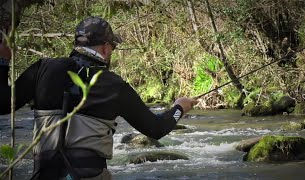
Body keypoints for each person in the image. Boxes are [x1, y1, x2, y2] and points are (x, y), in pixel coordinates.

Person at [0, 16, 198, 180]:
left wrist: (3, 61)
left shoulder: (43, 68)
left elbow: (2, 103)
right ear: (105, 48)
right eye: (112, 47)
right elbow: (156, 128)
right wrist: (179, 107)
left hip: (44, 174)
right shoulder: (114, 85)